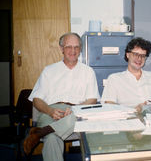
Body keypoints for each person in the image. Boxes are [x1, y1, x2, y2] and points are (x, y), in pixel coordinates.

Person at [23, 33, 100, 161]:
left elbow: (92, 99)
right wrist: (50, 111)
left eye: (76, 47)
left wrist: (76, 109)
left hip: (75, 112)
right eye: (69, 47)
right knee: (54, 137)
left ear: (80, 49)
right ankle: (47, 130)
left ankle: (41, 132)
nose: (73, 51)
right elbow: (36, 99)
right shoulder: (49, 71)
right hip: (50, 112)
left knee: (63, 127)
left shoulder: (88, 72)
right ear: (61, 49)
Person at [101, 37, 151, 113]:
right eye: (135, 54)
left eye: (143, 56)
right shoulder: (115, 79)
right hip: (128, 120)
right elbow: (108, 105)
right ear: (127, 55)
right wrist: (134, 110)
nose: (139, 59)